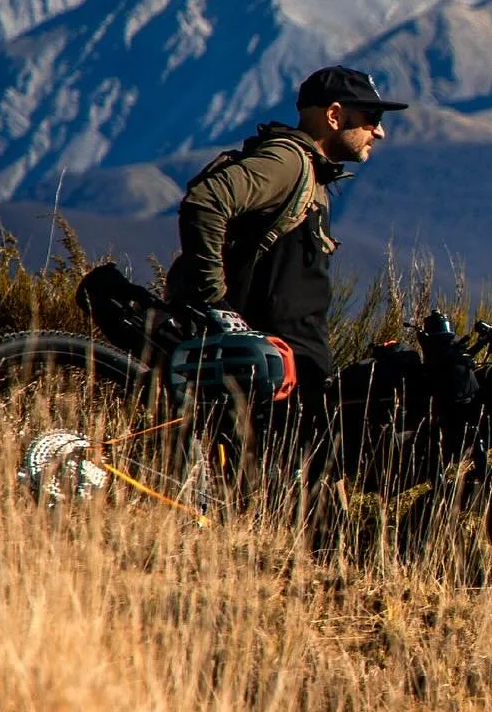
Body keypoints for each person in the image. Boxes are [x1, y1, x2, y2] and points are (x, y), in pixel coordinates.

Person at [167, 64, 406, 468]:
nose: (379, 132)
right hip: (259, 371)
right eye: (371, 118)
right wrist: (215, 302)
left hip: (287, 377)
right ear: (334, 116)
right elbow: (206, 200)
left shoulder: (315, 177)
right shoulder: (288, 163)